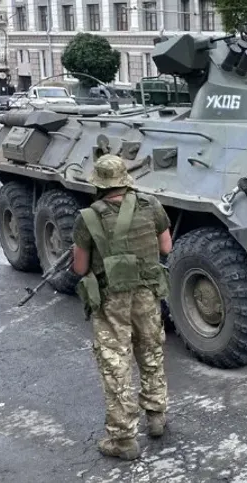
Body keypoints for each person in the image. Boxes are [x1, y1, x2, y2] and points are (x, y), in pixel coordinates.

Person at [70, 154, 173, 460]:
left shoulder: (87, 217)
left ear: (100, 184)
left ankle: (123, 439)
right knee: (150, 350)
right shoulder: (151, 205)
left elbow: (79, 268)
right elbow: (166, 247)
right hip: (146, 291)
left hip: (111, 298)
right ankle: (156, 416)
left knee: (116, 364)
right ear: (125, 179)